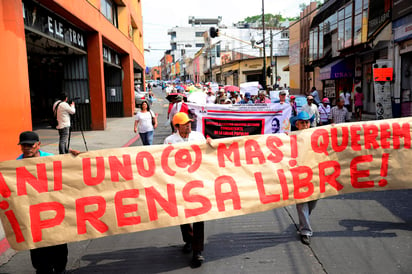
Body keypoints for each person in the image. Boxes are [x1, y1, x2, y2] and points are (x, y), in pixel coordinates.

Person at [16, 131, 77, 274]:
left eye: (30, 145)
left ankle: (60, 269)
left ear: (38, 144)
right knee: (40, 260)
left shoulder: (50, 160)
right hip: (33, 218)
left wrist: (75, 159)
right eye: (23, 145)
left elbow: (72, 174)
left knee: (60, 255)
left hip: (55, 214)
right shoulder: (15, 165)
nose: (27, 148)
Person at [164, 112, 209, 268]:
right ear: (177, 127)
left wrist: (210, 145)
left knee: (198, 216)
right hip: (179, 183)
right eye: (184, 123)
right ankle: (189, 240)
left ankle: (197, 251)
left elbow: (207, 155)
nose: (188, 125)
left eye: (189, 122)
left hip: (197, 182)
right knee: (183, 215)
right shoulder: (169, 141)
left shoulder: (199, 137)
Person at [289, 112, 317, 245]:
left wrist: (334, 131)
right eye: (302, 122)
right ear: (297, 124)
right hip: (299, 176)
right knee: (302, 204)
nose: (305, 125)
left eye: (307, 122)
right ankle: (305, 231)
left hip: (316, 175)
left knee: (312, 202)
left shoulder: (317, 134)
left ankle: (303, 221)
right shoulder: (290, 138)